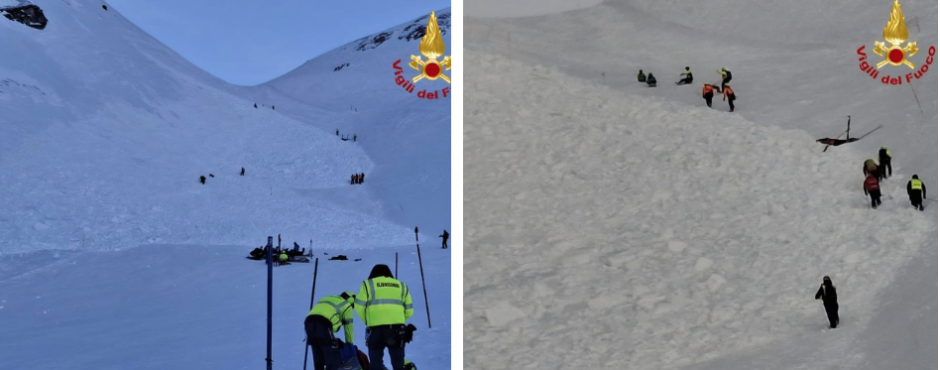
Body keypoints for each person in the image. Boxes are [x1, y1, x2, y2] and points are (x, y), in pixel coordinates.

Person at [355, 264, 414, 370]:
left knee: (375, 364)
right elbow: (409, 310)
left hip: (375, 330)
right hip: (396, 330)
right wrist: (398, 320)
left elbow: (359, 306)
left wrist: (368, 321)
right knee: (398, 364)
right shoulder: (402, 286)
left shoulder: (367, 284)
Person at [305, 291, 356, 370]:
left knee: (318, 358)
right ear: (351, 301)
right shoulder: (346, 305)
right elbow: (348, 328)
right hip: (323, 324)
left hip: (309, 323)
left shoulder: (326, 298)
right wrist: (349, 346)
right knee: (333, 358)